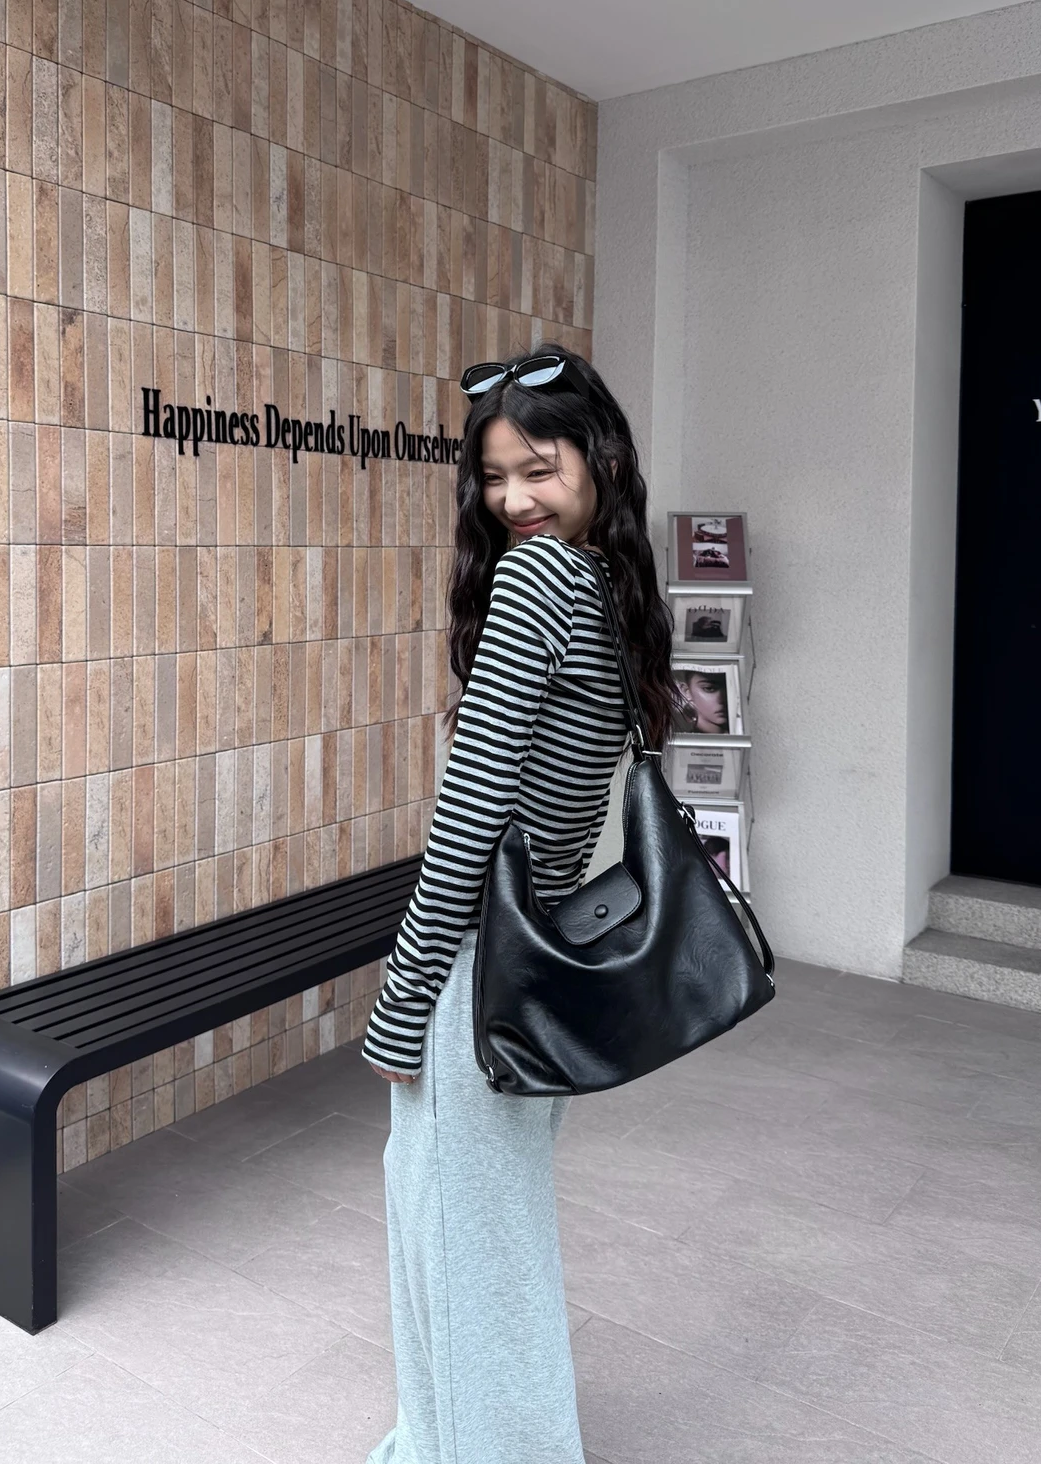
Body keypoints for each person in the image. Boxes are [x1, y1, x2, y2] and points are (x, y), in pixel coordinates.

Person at [361, 343, 677, 1464]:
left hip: (479, 966)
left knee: (467, 1252)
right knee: (472, 1236)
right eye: (494, 478)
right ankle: (437, 1442)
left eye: (538, 470)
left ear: (599, 460)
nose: (512, 500)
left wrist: (403, 999)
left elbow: (471, 812)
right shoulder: (612, 584)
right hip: (537, 956)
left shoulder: (537, 580)